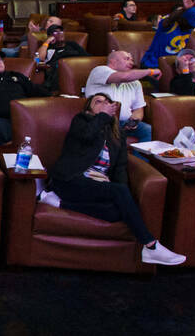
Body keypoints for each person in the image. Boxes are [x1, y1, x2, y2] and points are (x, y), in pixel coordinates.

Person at [48, 93, 185, 266]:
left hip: (96, 184)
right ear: (89, 109)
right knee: (119, 193)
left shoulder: (117, 133)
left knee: (117, 212)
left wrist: (123, 197)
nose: (104, 104)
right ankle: (151, 246)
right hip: (69, 179)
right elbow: (87, 136)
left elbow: (120, 167)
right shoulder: (81, 121)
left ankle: (59, 203)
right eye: (98, 102)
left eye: (107, 103)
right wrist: (103, 115)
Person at [85, 50, 158, 142]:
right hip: (100, 121)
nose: (131, 63)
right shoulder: (99, 71)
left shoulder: (135, 83)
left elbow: (138, 108)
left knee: (148, 130)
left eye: (132, 60)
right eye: (127, 59)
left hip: (124, 124)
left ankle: (137, 157)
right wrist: (150, 71)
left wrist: (134, 121)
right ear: (113, 61)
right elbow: (124, 77)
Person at [142, 0, 195, 69]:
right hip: (152, 65)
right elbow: (170, 18)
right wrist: (184, 9)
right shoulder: (167, 24)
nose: (193, 26)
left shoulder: (188, 28)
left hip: (171, 66)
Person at [34, 23, 87, 92]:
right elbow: (37, 59)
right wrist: (47, 41)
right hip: (58, 72)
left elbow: (86, 56)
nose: (60, 33)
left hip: (76, 68)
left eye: (61, 31)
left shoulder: (72, 44)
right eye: (56, 32)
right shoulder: (49, 48)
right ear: (50, 36)